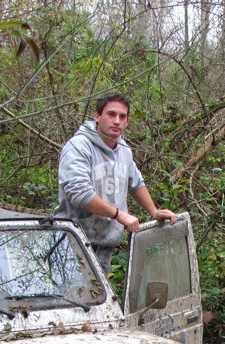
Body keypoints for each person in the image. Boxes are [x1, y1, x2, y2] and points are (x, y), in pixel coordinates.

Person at [54, 93, 177, 275]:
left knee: (99, 302)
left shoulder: (123, 149)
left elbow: (135, 183)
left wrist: (153, 211)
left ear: (127, 121)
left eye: (122, 116)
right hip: (72, 242)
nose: (117, 121)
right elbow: (80, 194)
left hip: (104, 244)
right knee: (72, 299)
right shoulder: (78, 146)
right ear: (97, 116)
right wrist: (120, 215)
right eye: (111, 114)